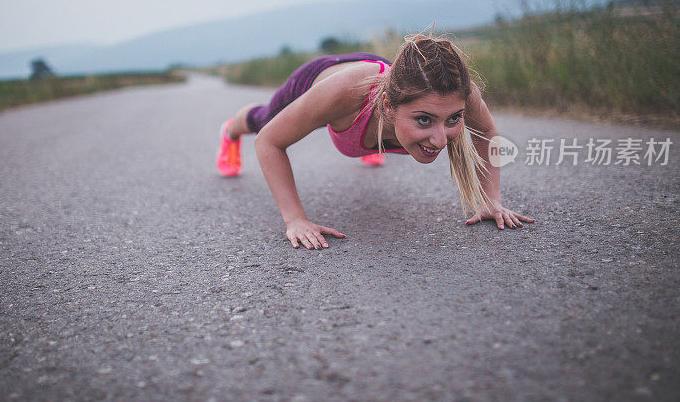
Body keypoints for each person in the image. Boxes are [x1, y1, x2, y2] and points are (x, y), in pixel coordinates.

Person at [215, 33, 534, 249]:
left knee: (425, 127)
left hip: (380, 92)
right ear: (387, 107)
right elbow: (269, 143)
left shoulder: (458, 93)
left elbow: (487, 133)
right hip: (323, 80)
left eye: (453, 120)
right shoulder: (342, 94)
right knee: (263, 121)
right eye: (424, 120)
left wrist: (491, 200)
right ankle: (230, 130)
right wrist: (295, 219)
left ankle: (374, 143)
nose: (440, 140)